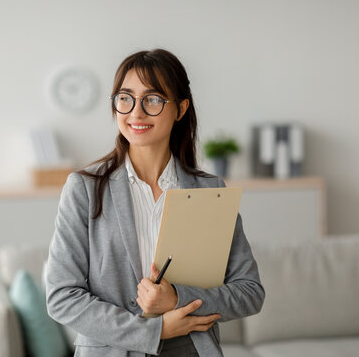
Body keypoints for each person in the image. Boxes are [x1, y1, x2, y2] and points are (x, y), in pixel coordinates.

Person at [45, 48, 264, 357]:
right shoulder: (84, 188)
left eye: (153, 99)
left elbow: (249, 293)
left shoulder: (209, 190)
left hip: (190, 348)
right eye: (125, 98)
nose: (136, 112)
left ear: (180, 108)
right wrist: (154, 330)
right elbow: (62, 297)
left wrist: (176, 299)